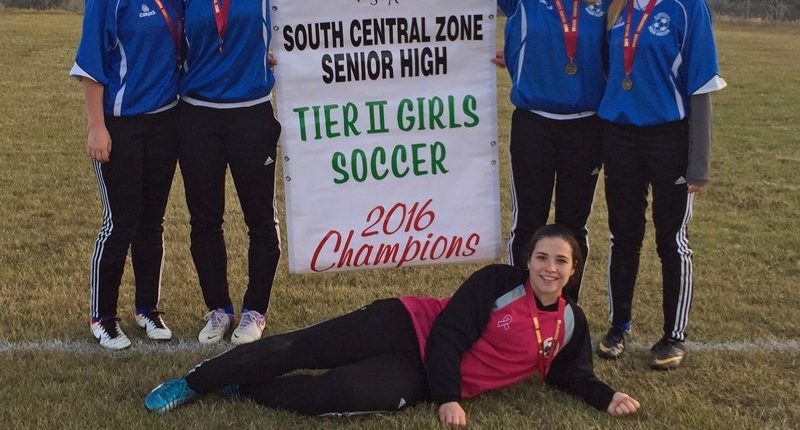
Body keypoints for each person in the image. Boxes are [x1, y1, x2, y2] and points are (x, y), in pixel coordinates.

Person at [144, 224, 640, 425]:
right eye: (541, 257)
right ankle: (190, 383)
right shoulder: (497, 282)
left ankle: (244, 387)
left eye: (560, 262)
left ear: (574, 270)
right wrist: (449, 398)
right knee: (304, 347)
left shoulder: (570, 323)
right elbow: (447, 335)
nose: (548, 268)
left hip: (421, 375)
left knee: (336, 396)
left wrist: (607, 396)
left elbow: (569, 374)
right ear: (527, 260)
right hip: (409, 326)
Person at [459, 0, 614, 302]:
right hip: (534, 124)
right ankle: (517, 310)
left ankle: (567, 312)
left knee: (572, 225)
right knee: (528, 222)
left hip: (586, 126)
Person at [595, 0, 726, 370]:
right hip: (620, 137)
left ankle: (673, 335)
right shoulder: (616, 6)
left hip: (669, 137)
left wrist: (699, 163)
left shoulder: (689, 5)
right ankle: (619, 326)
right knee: (624, 235)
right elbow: (606, 73)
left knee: (671, 238)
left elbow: (700, 85)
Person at [70, 0, 181, 350]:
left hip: (166, 124)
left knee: (152, 223)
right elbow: (91, 66)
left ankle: (147, 310)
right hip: (121, 126)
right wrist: (97, 127)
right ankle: (103, 315)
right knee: (120, 223)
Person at [174, 0, 281, 346]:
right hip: (196, 116)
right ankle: (217, 308)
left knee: (260, 218)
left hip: (251, 115)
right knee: (204, 219)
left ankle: (254, 311)